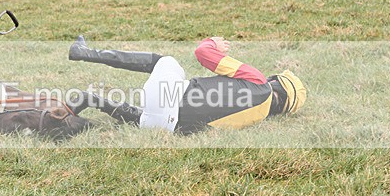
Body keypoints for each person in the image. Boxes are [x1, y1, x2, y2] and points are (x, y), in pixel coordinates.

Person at [67, 35, 306, 133]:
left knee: (165, 61)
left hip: (169, 97)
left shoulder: (258, 80)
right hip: (170, 126)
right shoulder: (255, 119)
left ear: (275, 81)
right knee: (147, 117)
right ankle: (92, 100)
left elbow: (202, 53)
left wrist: (213, 42)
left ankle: (84, 53)